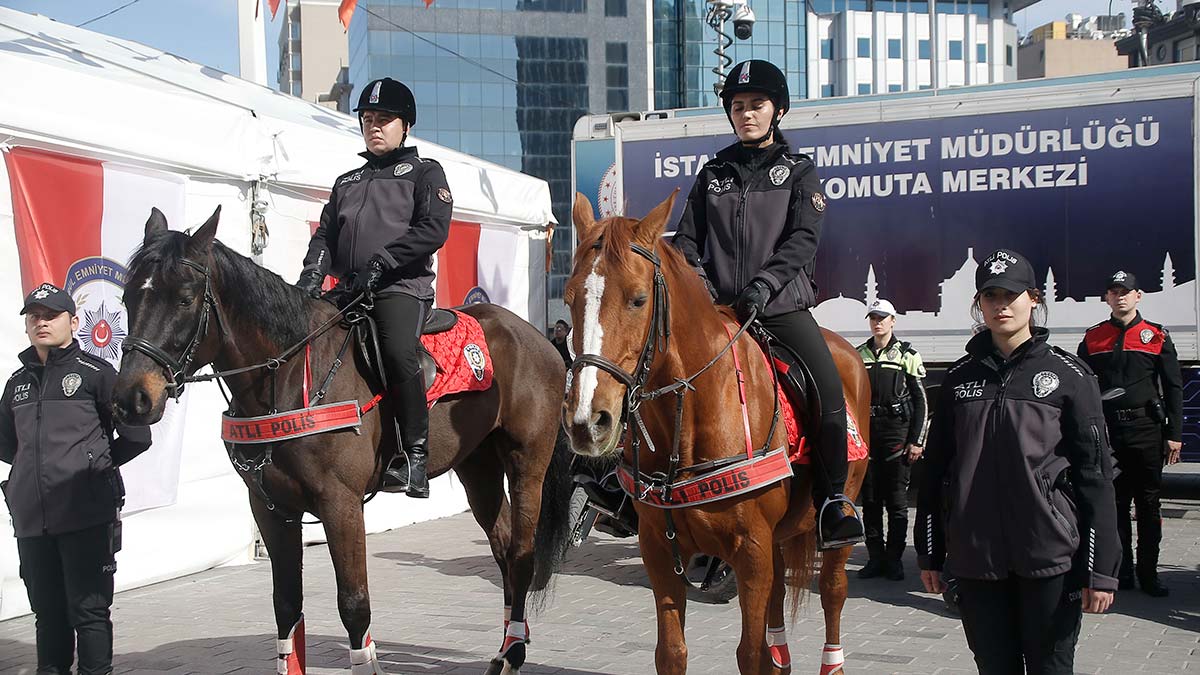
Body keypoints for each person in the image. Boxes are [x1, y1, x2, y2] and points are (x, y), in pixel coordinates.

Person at [671, 59, 864, 550]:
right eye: (738, 106)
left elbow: (802, 240)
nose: (747, 114)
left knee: (827, 390)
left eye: (757, 105)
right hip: (719, 313)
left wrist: (763, 285)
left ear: (777, 110)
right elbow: (687, 241)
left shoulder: (798, 172)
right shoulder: (713, 172)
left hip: (780, 309)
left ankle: (832, 502)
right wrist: (702, 287)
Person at [917, 249, 1119, 674]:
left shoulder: (1070, 375)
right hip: (976, 560)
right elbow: (934, 472)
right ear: (979, 304)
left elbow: (1095, 476)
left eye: (1011, 294)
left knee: (1050, 666)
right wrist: (930, 553)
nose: (1000, 304)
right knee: (994, 667)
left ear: (1033, 299)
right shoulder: (958, 379)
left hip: (1049, 557)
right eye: (990, 295)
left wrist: (1101, 570)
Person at [296, 77, 453, 498]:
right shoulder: (346, 181)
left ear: (405, 125)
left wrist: (383, 261)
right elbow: (326, 236)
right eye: (368, 119)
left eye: (384, 119)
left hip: (401, 288)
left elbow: (432, 230)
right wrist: (312, 274)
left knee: (398, 349)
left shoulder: (425, 173)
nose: (375, 126)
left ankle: (415, 456)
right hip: (349, 288)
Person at [0, 282, 153, 675]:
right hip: (33, 521)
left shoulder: (96, 375)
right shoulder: (16, 384)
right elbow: (6, 446)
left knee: (89, 613)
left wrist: (93, 470)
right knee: (47, 614)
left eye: (51, 315)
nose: (41, 322)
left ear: (73, 320)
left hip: (86, 517)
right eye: (34, 316)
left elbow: (137, 436)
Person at [1077, 270, 1182, 597]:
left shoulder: (1156, 336)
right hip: (1109, 433)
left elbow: (1174, 387)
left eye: (1126, 291)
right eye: (1114, 291)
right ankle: (1122, 573)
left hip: (1146, 430)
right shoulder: (1094, 338)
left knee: (1148, 505)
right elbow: (1080, 385)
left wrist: (1174, 433)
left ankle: (1149, 575)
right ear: (1106, 298)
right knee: (1114, 504)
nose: (1120, 296)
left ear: (1138, 296)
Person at [856, 299, 927, 581]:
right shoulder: (858, 354)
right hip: (868, 436)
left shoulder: (908, 354)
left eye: (883, 317)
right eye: (873, 317)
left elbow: (921, 402)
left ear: (893, 320)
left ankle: (895, 560)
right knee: (870, 502)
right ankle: (875, 559)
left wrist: (917, 440)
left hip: (897, 434)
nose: (878, 322)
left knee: (897, 502)